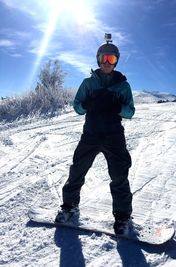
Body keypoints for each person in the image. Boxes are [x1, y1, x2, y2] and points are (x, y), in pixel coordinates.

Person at [55, 35, 135, 235]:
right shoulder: (88, 83)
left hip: (114, 136)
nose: (107, 63)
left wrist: (119, 107)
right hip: (90, 134)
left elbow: (130, 111)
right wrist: (85, 105)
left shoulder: (123, 86)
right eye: (104, 59)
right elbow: (77, 107)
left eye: (112, 59)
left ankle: (123, 216)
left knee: (119, 176)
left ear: (116, 61)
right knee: (77, 171)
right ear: (98, 60)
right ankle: (69, 206)